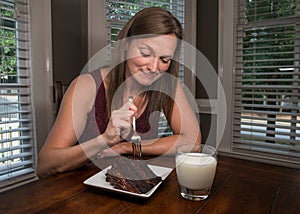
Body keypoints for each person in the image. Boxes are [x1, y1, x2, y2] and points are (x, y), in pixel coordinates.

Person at [37, 7, 201, 177]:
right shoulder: (86, 86)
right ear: (126, 45)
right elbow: (44, 165)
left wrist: (126, 147)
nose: (154, 67)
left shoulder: (167, 85)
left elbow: (192, 141)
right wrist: (104, 140)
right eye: (145, 53)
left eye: (164, 59)